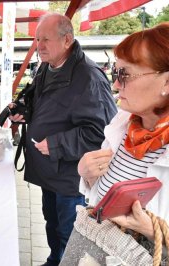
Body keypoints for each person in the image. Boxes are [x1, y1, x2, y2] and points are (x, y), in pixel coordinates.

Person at [10, 13, 117, 266]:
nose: (39, 46)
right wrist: (24, 112)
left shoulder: (89, 77)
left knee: (69, 233)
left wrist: (57, 144)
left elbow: (102, 133)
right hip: (49, 171)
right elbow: (44, 104)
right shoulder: (47, 67)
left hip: (71, 177)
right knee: (51, 222)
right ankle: (54, 260)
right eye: (37, 39)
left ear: (67, 39)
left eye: (45, 39)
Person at [78, 22, 169, 243]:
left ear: (166, 81)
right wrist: (87, 175)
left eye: (125, 74)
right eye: (115, 72)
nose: (117, 84)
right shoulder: (123, 122)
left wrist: (152, 231)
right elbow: (101, 199)